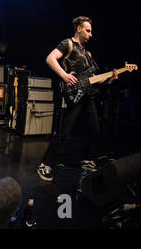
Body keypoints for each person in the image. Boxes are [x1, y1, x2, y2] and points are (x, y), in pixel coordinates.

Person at [37, 16, 118, 182]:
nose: (91, 34)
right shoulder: (68, 44)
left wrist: (109, 78)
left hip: (88, 95)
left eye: (91, 31)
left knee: (94, 130)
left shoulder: (87, 53)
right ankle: (45, 164)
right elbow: (50, 58)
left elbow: (94, 78)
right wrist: (64, 75)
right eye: (88, 30)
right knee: (64, 132)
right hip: (74, 94)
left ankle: (87, 159)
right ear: (79, 29)